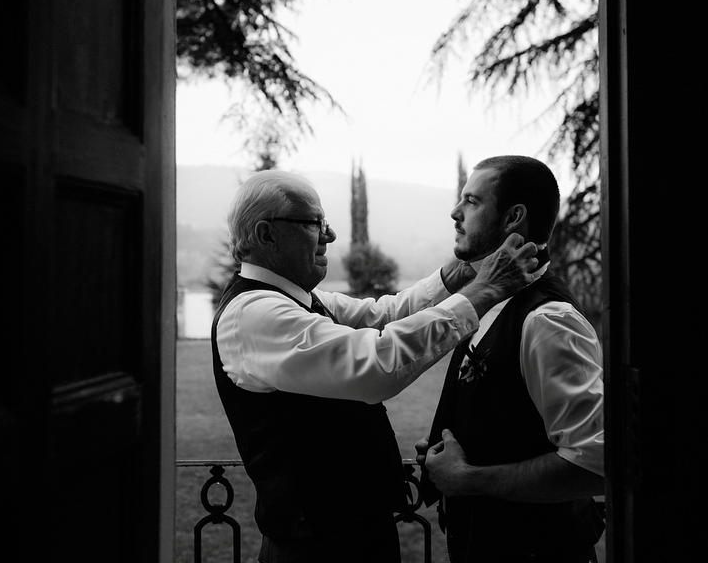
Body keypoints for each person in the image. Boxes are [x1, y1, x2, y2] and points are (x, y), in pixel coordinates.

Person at [211, 170, 544, 563]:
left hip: (346, 533)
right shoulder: (255, 314)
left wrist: (455, 278)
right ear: (267, 235)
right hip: (315, 545)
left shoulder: (298, 299)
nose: (329, 235)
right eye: (315, 223)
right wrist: (484, 291)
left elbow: (381, 315)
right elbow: (377, 364)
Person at [416, 155, 605, 563]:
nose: (455, 212)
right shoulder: (488, 303)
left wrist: (467, 479)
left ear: (513, 216)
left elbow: (593, 464)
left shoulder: (549, 320)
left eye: (471, 201)